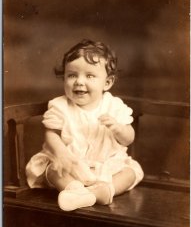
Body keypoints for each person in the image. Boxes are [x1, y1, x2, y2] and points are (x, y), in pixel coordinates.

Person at [26, 39, 144, 211]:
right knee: (53, 171)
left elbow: (128, 139)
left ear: (107, 83)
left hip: (106, 166)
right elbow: (51, 134)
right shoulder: (60, 106)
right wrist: (61, 154)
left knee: (130, 172)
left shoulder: (114, 106)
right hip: (71, 165)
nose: (79, 82)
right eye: (72, 75)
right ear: (64, 77)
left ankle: (102, 192)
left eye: (89, 76)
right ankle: (74, 190)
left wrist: (119, 128)